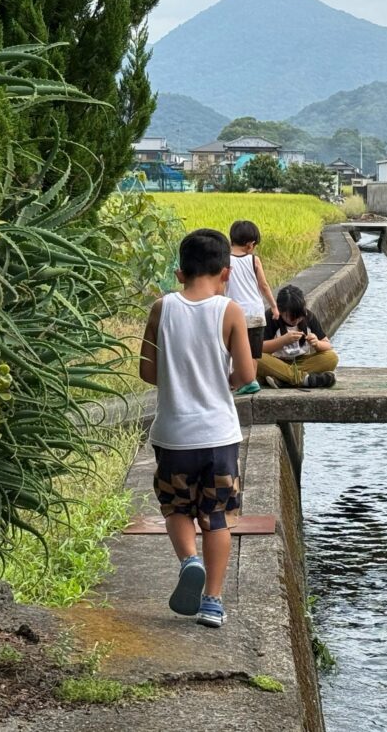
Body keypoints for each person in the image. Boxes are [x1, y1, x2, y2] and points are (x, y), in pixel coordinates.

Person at [139, 228, 256, 628]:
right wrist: (220, 381)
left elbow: (147, 371)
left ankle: (190, 560)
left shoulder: (161, 308)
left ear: (179, 272)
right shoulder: (230, 311)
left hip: (173, 435)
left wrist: (178, 378)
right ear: (225, 273)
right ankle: (212, 602)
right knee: (217, 517)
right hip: (219, 436)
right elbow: (246, 373)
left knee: (177, 509)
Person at [227, 219, 278, 396]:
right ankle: (252, 382)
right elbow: (263, 285)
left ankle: (238, 382)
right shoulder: (254, 260)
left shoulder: (224, 261)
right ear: (250, 244)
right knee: (254, 352)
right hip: (255, 313)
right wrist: (274, 306)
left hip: (233, 314)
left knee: (235, 352)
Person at [257, 284, 339, 388]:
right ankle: (303, 379)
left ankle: (284, 379)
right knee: (256, 357)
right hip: (277, 362)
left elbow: (327, 345)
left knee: (331, 358)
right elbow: (259, 348)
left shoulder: (309, 317)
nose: (295, 320)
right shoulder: (271, 317)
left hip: (301, 362)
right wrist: (283, 341)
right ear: (280, 311)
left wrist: (317, 343)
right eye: (290, 317)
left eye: (299, 317)